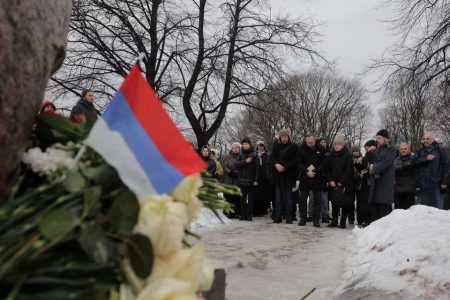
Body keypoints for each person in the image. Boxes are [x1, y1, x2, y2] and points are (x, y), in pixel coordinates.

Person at [297, 133, 327, 227]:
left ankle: (316, 220)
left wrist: (315, 172)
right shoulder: (301, 149)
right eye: (308, 142)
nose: (310, 144)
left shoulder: (321, 149)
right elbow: (299, 163)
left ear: (315, 140)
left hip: (317, 177)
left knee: (317, 200)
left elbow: (324, 163)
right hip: (305, 177)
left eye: (312, 142)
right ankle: (303, 219)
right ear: (306, 141)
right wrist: (306, 171)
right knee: (302, 199)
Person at [413, 133, 449, 209]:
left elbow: (446, 166)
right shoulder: (419, 151)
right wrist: (426, 159)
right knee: (426, 210)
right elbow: (414, 163)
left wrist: (444, 181)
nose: (425, 140)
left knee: (438, 209)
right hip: (423, 185)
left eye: (427, 139)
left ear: (433, 140)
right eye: (424, 139)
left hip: (437, 184)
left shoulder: (441, 150)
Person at [326, 135, 354, 228]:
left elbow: (349, 169)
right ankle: (334, 221)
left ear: (342, 145)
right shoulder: (330, 155)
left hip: (345, 183)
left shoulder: (348, 155)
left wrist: (341, 181)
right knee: (334, 202)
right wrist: (330, 180)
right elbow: (327, 169)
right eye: (335, 144)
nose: (336, 146)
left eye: (338, 144)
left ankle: (342, 221)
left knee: (345, 202)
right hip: (333, 183)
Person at [271, 129, 298, 224]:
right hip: (278, 175)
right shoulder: (276, 145)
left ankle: (289, 217)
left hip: (289, 175)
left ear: (288, 137)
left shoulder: (294, 146)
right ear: (280, 137)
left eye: (285, 136)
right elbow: (272, 157)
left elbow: (295, 160)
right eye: (282, 137)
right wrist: (276, 165)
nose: (284, 138)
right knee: (278, 198)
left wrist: (285, 167)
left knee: (289, 198)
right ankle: (278, 216)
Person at [369, 129, 396, 222]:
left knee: (383, 209)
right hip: (376, 181)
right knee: (375, 207)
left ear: (385, 138)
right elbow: (375, 161)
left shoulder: (392, 149)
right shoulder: (378, 149)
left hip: (386, 181)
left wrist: (374, 168)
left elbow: (386, 162)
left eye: (379, 138)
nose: (377, 140)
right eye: (377, 138)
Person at [307, 138, 330, 223]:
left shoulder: (329, 153)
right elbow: (312, 163)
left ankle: (325, 216)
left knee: (324, 199)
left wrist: (328, 180)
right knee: (312, 198)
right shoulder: (315, 152)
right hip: (314, 178)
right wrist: (310, 172)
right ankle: (311, 215)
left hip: (324, 179)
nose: (323, 143)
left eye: (325, 142)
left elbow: (329, 168)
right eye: (321, 142)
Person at [235, 138, 256, 221]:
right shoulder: (240, 154)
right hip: (241, 180)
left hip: (251, 179)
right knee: (242, 199)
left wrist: (256, 180)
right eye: (243, 144)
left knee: (250, 199)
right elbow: (236, 164)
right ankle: (243, 215)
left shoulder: (254, 154)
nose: (245, 145)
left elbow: (257, 167)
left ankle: (249, 215)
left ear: (249, 145)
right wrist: (245, 161)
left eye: (246, 144)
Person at [394, 143, 417, 209]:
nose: (403, 150)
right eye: (401, 149)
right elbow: (395, 170)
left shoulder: (414, 158)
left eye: (405, 149)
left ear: (409, 150)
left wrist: (401, 168)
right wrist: (404, 167)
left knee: (409, 211)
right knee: (399, 211)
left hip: (410, 189)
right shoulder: (396, 159)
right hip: (398, 189)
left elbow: (414, 170)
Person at [223, 142, 242, 218]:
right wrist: (229, 171)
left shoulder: (241, 156)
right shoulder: (228, 157)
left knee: (237, 197)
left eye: (237, 147)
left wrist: (236, 172)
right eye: (234, 147)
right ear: (231, 148)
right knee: (229, 197)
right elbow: (225, 166)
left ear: (239, 149)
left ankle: (237, 212)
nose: (235, 149)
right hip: (229, 179)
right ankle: (231, 212)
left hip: (237, 179)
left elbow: (242, 166)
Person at [253, 141, 271, 216]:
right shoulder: (254, 155)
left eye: (262, 146)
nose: (260, 147)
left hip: (265, 177)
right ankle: (256, 211)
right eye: (259, 146)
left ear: (264, 147)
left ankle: (264, 210)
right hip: (256, 177)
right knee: (257, 195)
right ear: (257, 147)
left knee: (264, 195)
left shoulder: (267, 155)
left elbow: (269, 165)